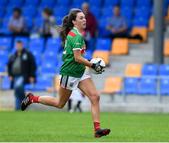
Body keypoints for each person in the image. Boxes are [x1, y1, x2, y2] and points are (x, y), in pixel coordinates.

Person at [21, 8, 110, 138]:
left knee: (95, 97)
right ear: (74, 22)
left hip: (80, 71)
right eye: (81, 18)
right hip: (70, 73)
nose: (84, 19)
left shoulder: (76, 34)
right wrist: (92, 64)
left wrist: (90, 62)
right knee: (60, 103)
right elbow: (77, 58)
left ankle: (97, 130)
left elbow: (78, 57)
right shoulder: (76, 36)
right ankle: (32, 98)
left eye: (84, 17)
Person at [7, 40, 36, 110]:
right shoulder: (13, 55)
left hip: (23, 75)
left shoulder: (28, 54)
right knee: (17, 91)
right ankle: (22, 104)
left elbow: (32, 65)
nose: (18, 47)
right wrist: (10, 75)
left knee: (17, 87)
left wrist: (32, 75)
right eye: (17, 45)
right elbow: (9, 65)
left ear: (22, 45)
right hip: (15, 76)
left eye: (19, 45)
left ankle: (19, 106)